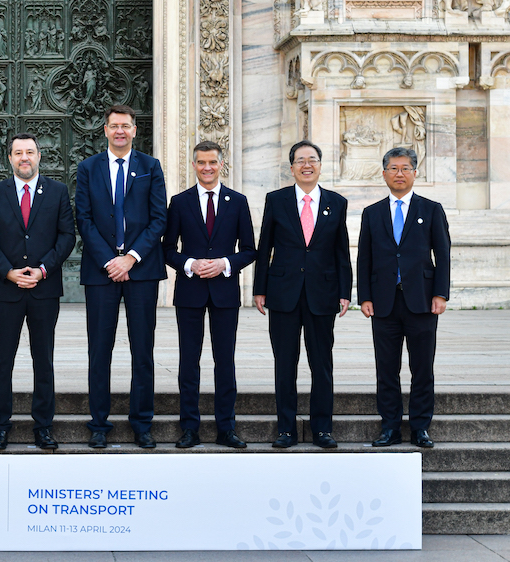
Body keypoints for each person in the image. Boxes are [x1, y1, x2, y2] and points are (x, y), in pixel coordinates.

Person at [75, 104, 168, 449]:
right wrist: (109, 262)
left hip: (141, 271)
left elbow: (159, 218)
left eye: (126, 126)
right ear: (105, 130)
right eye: (114, 126)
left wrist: (129, 258)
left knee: (142, 349)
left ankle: (142, 423)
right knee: (100, 350)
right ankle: (99, 423)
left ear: (134, 130)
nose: (120, 131)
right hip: (101, 274)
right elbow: (83, 219)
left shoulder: (150, 167)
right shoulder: (88, 168)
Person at [0, 133, 76, 451]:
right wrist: (8, 271)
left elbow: (66, 236)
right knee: (2, 360)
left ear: (39, 157)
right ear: (9, 158)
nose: (24, 157)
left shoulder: (58, 192)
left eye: (30, 152)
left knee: (43, 359)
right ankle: (0, 426)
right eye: (18, 152)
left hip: (44, 289)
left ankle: (43, 427)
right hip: (7, 289)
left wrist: (43, 268)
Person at [253, 140, 352, 449]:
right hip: (283, 293)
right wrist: (259, 289)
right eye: (300, 160)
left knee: (322, 363)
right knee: (285, 364)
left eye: (312, 159)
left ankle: (322, 429)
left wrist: (346, 292)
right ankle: (286, 429)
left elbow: (341, 251)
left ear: (320, 165)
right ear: (292, 167)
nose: (306, 165)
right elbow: (264, 247)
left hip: (322, 294)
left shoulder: (336, 202)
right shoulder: (277, 200)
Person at [161, 140, 256, 449]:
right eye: (201, 162)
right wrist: (190, 264)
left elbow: (250, 250)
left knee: (224, 362)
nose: (206, 168)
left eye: (212, 162)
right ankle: (189, 428)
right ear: (193, 165)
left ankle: (226, 428)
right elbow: (166, 250)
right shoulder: (179, 201)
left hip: (225, 292)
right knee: (189, 362)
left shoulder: (238, 202)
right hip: (189, 291)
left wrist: (224, 264)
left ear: (221, 164)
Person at [358, 147, 451, 448]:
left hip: (422, 301)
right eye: (394, 168)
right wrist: (365, 297)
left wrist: (440, 293)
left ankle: (420, 427)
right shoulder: (372, 213)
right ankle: (390, 428)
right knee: (387, 369)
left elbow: (443, 255)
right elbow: (364, 258)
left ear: (415, 173)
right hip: (384, 302)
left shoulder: (431, 209)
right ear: (384, 173)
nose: (400, 173)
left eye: (406, 168)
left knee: (422, 367)